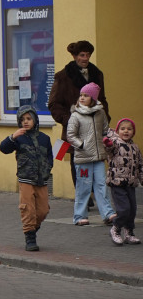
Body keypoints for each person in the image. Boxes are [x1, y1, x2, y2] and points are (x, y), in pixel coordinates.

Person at [48, 41, 108, 193]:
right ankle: (83, 195)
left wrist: (104, 118)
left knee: (96, 160)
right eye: (82, 55)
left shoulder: (97, 73)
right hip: (74, 128)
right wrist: (68, 119)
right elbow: (54, 104)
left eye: (88, 55)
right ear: (75, 56)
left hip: (94, 126)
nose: (85, 58)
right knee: (78, 163)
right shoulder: (63, 76)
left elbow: (103, 100)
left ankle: (94, 192)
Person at [0, 105, 53, 251]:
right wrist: (12, 137)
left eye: (29, 119)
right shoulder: (19, 138)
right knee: (28, 209)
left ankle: (33, 228)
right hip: (25, 179)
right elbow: (3, 148)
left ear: (35, 119)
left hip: (41, 180)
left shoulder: (44, 138)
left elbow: (49, 156)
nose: (26, 122)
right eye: (22, 120)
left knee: (43, 210)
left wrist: (48, 169)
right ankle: (30, 237)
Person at [66, 82, 115, 227]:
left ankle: (107, 214)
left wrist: (107, 140)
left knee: (101, 185)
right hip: (83, 158)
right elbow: (70, 135)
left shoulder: (100, 113)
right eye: (81, 95)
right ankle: (79, 216)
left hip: (99, 157)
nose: (82, 98)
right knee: (84, 186)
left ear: (93, 98)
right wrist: (81, 145)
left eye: (86, 95)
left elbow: (105, 130)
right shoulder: (75, 115)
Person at [102, 118, 142, 245]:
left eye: (129, 129)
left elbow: (140, 165)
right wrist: (107, 144)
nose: (126, 131)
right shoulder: (115, 144)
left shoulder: (135, 147)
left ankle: (129, 233)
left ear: (133, 132)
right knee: (124, 209)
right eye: (123, 129)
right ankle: (115, 229)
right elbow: (109, 149)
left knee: (132, 210)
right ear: (118, 131)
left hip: (130, 183)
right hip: (117, 182)